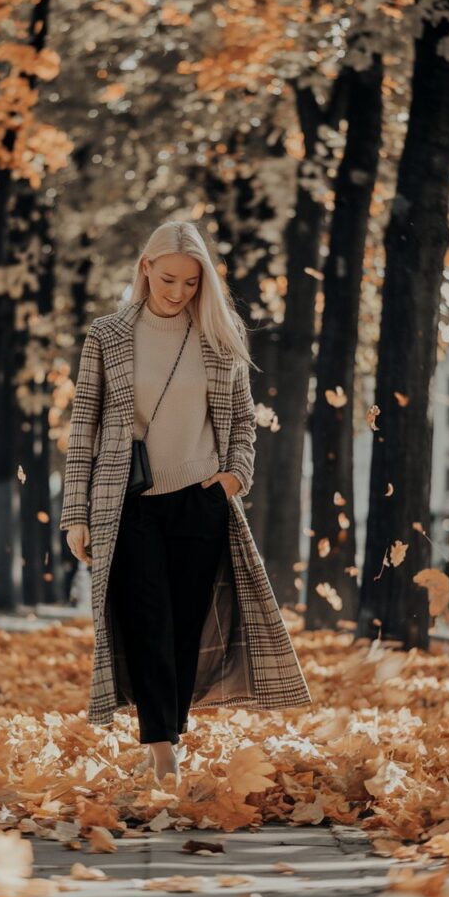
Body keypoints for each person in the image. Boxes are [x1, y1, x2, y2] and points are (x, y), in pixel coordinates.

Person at [61, 220, 312, 785]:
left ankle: (168, 731)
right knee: (147, 621)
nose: (177, 292)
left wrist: (233, 479)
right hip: (129, 503)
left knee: (185, 626)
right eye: (168, 278)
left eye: (191, 283)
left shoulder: (221, 338)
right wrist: (76, 514)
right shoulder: (106, 335)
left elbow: (244, 423)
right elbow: (85, 429)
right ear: (145, 267)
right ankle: (162, 753)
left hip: (201, 501)